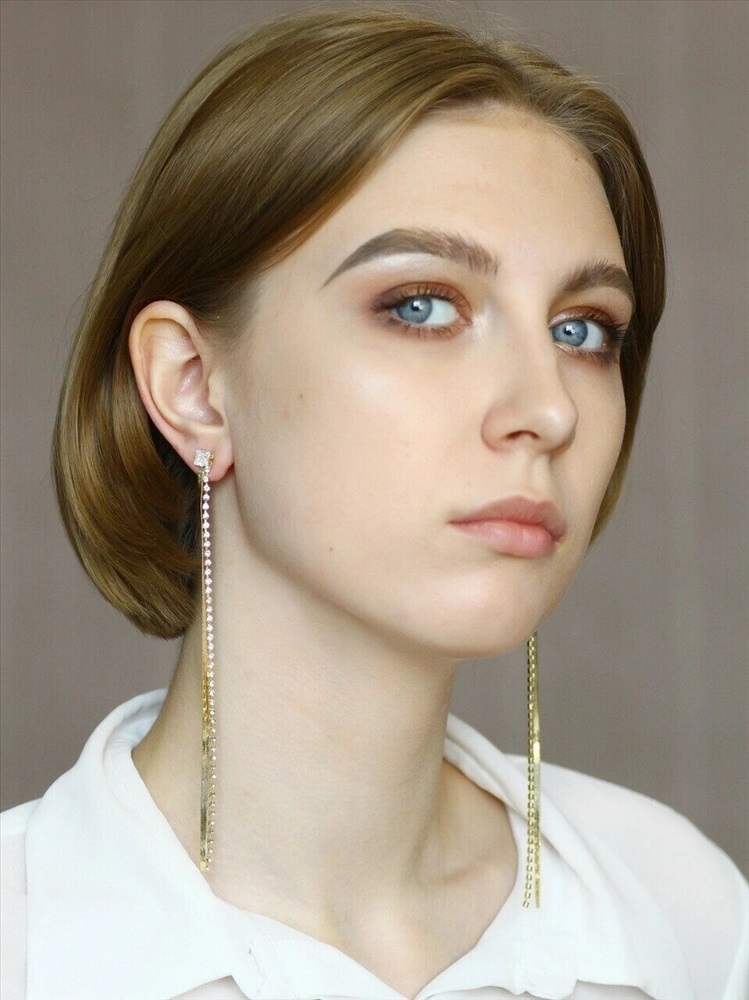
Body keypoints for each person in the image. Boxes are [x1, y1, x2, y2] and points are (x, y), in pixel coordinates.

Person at [1, 6, 746, 999]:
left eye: (580, 330)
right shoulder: (25, 940)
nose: (546, 409)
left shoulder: (681, 914)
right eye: (421, 306)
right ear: (192, 385)